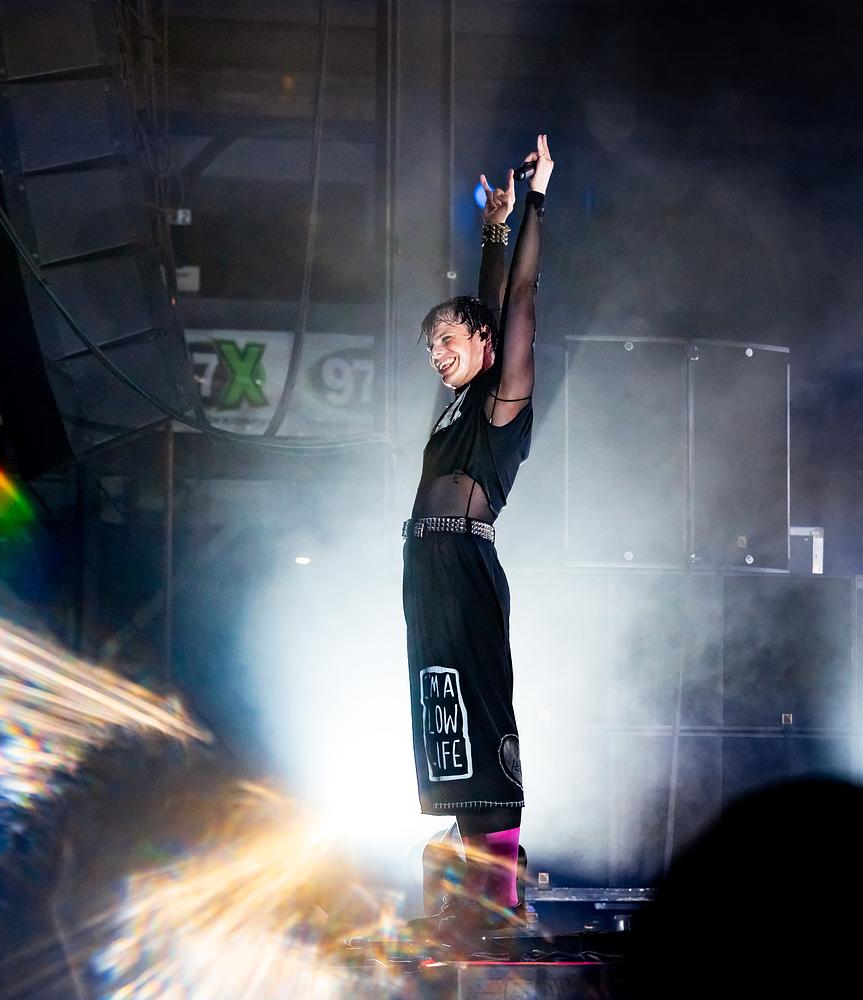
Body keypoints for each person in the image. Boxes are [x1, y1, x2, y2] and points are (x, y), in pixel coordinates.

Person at [403, 134, 553, 947]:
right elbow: (487, 302)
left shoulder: (503, 402)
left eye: (448, 340)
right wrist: (490, 227)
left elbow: (514, 300)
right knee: (444, 719)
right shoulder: (458, 402)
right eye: (430, 345)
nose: (437, 353)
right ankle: (473, 886)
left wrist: (535, 203)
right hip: (425, 565)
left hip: (463, 560)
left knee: (482, 718)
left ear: (487, 346)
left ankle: (499, 891)